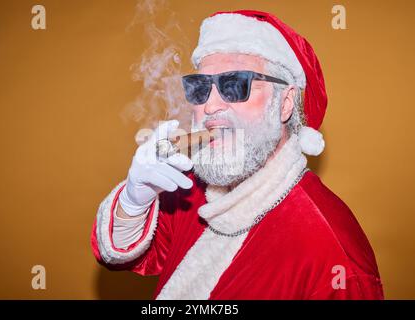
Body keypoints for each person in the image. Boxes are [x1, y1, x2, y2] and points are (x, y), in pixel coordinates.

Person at [91, 10, 384, 299]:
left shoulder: (335, 256)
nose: (210, 106)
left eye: (235, 85)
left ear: (285, 103)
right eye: (200, 87)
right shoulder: (186, 188)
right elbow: (133, 259)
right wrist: (133, 202)